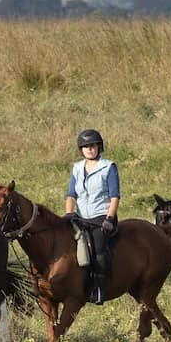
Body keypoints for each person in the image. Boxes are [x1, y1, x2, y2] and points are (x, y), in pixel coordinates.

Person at [65, 127, 120, 304]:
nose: (90, 149)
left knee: (97, 252)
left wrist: (109, 218)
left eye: (93, 145)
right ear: (81, 149)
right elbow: (71, 194)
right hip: (80, 217)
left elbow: (114, 196)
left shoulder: (108, 167)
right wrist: (69, 213)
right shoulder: (77, 168)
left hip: (101, 217)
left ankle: (99, 289)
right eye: (86, 146)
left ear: (99, 147)